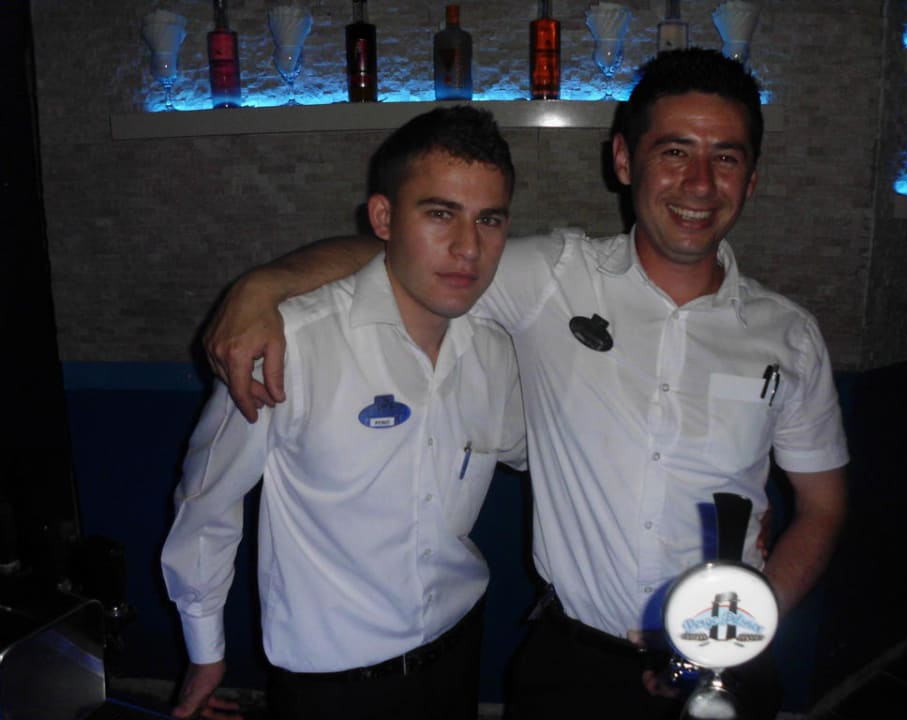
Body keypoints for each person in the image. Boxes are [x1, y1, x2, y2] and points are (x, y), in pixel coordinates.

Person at [201, 48, 848, 719]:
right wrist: (264, 285)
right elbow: (413, 256)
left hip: (729, 660)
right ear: (624, 160)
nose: (700, 183)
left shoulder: (789, 334)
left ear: (752, 179)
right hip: (572, 666)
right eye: (675, 151)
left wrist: (743, 625)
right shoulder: (552, 277)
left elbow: (822, 506)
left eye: (727, 157)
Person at [161, 106, 526, 720]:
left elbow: (536, 449)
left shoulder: (493, 348)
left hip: (459, 644)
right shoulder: (290, 344)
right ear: (382, 218)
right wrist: (205, 651)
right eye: (440, 213)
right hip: (332, 686)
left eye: (488, 219)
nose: (468, 247)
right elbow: (207, 502)